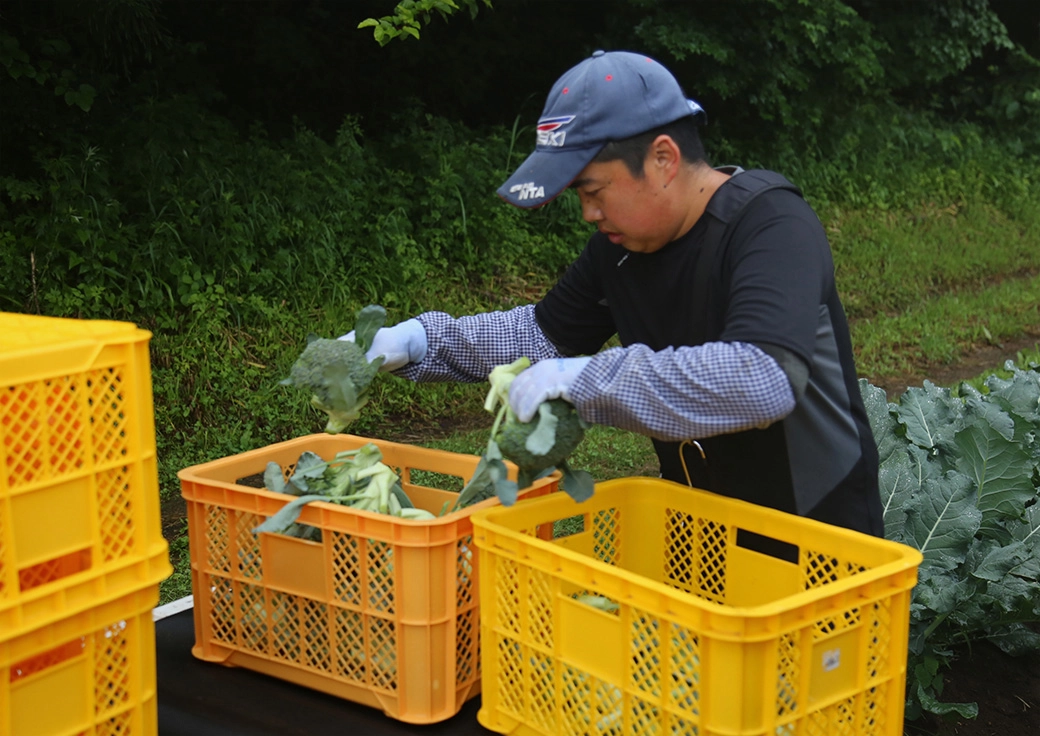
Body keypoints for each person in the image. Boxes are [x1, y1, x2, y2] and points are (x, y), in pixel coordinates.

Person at [343, 50, 884, 538]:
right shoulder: (621, 248)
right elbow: (541, 337)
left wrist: (587, 381)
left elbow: (761, 379)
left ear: (664, 159)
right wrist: (421, 340)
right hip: (702, 526)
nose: (588, 213)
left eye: (594, 190)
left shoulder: (769, 224)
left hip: (817, 539)